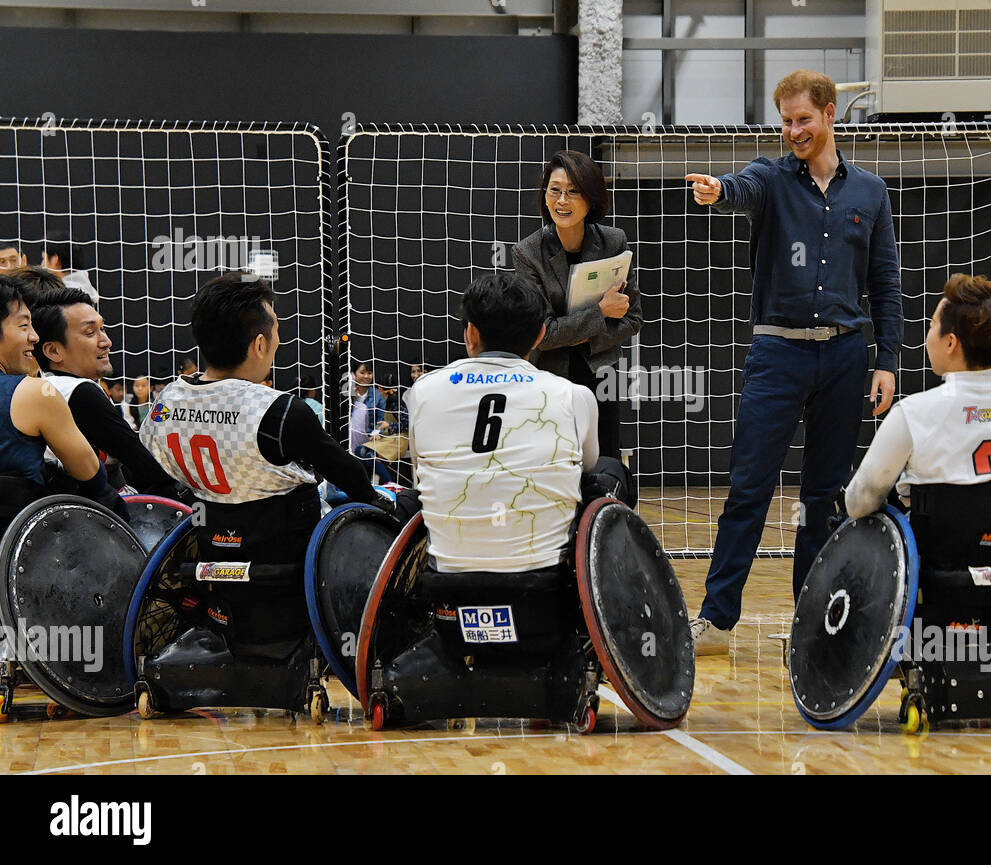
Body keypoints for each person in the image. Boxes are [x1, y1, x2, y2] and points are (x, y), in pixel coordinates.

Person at [683, 69, 903, 655]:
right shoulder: (770, 178)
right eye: (785, 121)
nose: (793, 131)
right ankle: (716, 619)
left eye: (803, 119)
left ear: (831, 115)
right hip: (777, 352)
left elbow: (885, 283)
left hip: (845, 355)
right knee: (748, 487)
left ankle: (810, 621)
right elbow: (744, 187)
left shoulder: (870, 192)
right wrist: (719, 191)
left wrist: (888, 361)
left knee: (823, 496)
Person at [139, 272, 394, 648]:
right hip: (287, 550)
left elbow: (147, 463)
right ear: (259, 344)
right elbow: (349, 475)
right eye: (275, 331)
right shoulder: (276, 409)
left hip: (209, 539)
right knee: (380, 500)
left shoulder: (166, 401)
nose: (279, 340)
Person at [405, 272, 599, 573]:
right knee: (608, 473)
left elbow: (419, 471)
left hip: (447, 576)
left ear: (471, 333)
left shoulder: (422, 391)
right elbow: (588, 465)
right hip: (544, 577)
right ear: (539, 336)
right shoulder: (574, 395)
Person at [845, 274, 991, 519]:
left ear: (950, 343)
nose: (928, 334)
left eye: (932, 325)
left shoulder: (913, 414)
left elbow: (858, 504)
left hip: (936, 555)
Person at [512, 149, 642, 459]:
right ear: (544, 196)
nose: (562, 201)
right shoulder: (528, 253)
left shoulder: (614, 242)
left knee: (603, 467)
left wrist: (575, 334)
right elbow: (541, 333)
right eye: (554, 190)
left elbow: (633, 318)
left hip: (601, 376)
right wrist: (599, 313)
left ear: (591, 198)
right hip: (549, 379)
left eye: (573, 192)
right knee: (555, 466)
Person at [27, 282, 184, 498]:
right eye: (90, 332)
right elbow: (145, 463)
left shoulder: (47, 385)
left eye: (103, 328)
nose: (106, 342)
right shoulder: (79, 392)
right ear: (53, 350)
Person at [0, 275, 121, 532]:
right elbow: (92, 478)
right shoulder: (35, 393)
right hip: (19, 555)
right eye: (24, 326)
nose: (34, 336)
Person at [39, 231, 97, 303]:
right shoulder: (86, 288)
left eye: (43, 258)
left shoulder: (65, 296)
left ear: (55, 259)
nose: (41, 265)